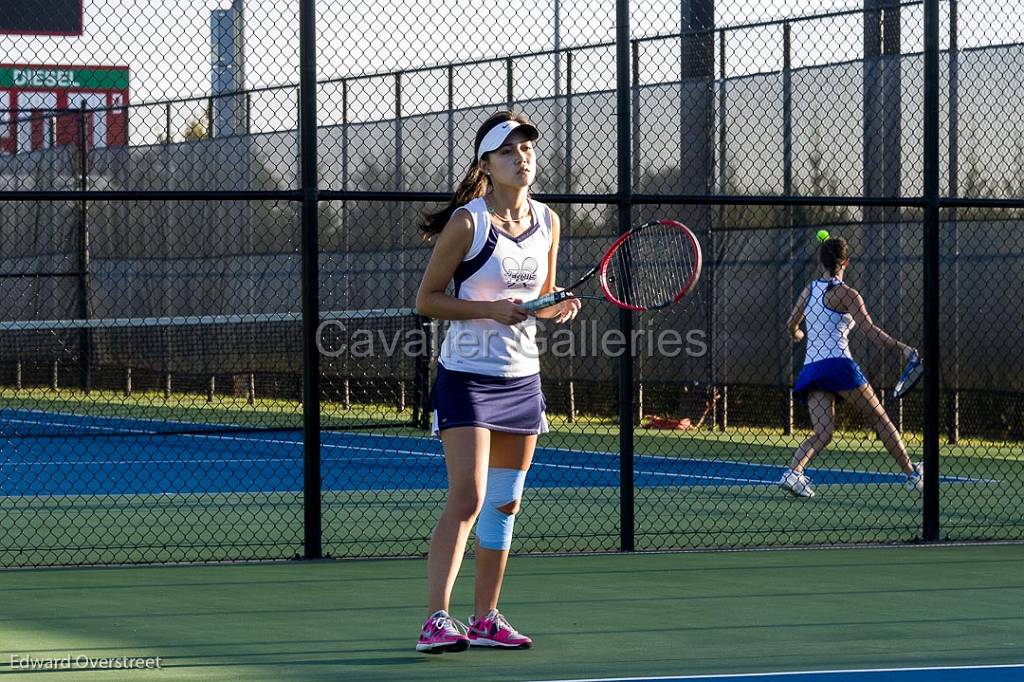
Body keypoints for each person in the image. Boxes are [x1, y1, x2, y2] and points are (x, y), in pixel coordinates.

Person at [413, 111, 581, 653]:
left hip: (522, 380)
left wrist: (556, 307)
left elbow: (543, 293)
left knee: (505, 502)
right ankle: (437, 619)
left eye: (527, 147)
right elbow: (427, 300)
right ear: (486, 164)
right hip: (467, 378)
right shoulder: (469, 223)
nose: (522, 157)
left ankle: (485, 617)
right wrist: (491, 309)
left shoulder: (549, 223)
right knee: (469, 496)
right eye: (508, 150)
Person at [779, 236, 923, 498]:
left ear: (819, 260)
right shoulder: (848, 294)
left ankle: (793, 473)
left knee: (823, 433)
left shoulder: (809, 289)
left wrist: (798, 334)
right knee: (879, 418)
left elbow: (792, 323)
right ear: (846, 262)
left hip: (812, 369)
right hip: (838, 365)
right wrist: (901, 347)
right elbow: (869, 331)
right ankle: (913, 473)